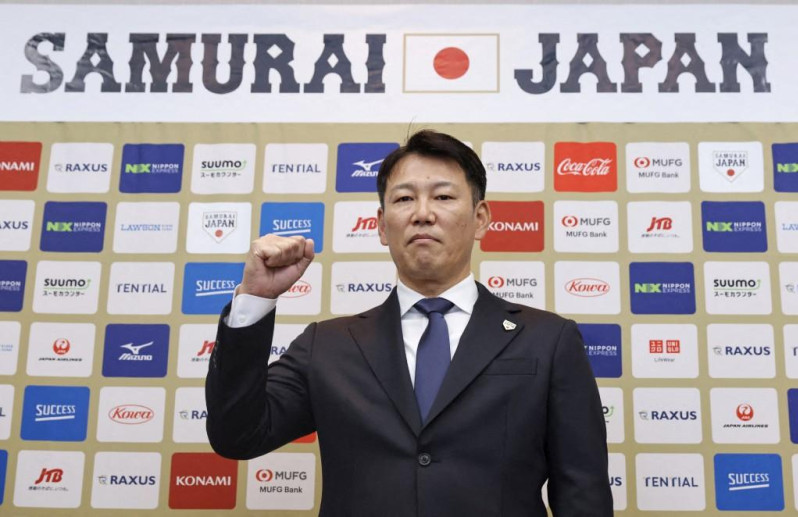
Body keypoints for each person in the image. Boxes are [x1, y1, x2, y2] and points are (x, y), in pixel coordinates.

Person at [206, 130, 613, 516]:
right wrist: (256, 298)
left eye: (443, 196)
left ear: (481, 218)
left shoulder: (547, 340)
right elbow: (237, 435)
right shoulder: (327, 345)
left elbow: (583, 491)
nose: (422, 214)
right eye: (404, 199)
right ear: (382, 226)